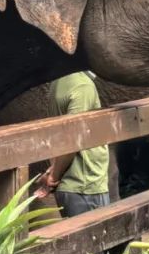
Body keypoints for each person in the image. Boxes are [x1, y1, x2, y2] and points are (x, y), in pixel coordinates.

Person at [39, 72, 110, 217]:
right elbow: (72, 138)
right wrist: (54, 176)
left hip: (71, 183)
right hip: (85, 185)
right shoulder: (83, 86)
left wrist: (53, 171)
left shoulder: (59, 80)